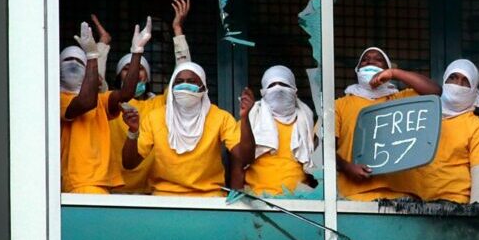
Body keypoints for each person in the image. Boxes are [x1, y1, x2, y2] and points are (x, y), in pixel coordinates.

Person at [121, 62, 256, 197]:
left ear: (203, 87)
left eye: (191, 81)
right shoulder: (155, 117)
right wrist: (133, 131)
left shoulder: (221, 117)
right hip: (164, 197)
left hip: (209, 197)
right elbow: (129, 163)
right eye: (179, 82)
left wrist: (245, 119)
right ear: (172, 88)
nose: (184, 86)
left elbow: (245, 158)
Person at [108, 0, 195, 194]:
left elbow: (184, 74)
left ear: (147, 76)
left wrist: (178, 31)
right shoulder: (111, 103)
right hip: (112, 190)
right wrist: (102, 48)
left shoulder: (159, 104)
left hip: (150, 192)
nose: (135, 73)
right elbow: (95, 83)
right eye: (127, 70)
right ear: (119, 76)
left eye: (140, 69)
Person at [335, 47, 440, 200]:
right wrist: (346, 167)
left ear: (387, 69)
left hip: (402, 196)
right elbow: (325, 148)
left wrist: (395, 73)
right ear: (357, 69)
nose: (370, 61)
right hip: (356, 195)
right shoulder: (339, 105)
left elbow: (435, 91)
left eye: (378, 60)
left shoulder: (401, 99)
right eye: (365, 59)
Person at [60, 19, 151, 194]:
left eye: (79, 62)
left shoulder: (101, 101)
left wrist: (137, 52)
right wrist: (92, 56)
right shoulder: (59, 100)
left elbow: (126, 94)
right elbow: (86, 102)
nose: (72, 65)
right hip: (79, 184)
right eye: (67, 61)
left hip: (103, 185)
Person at [405, 60, 479, 204]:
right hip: (413, 204)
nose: (457, 85)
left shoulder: (476, 127)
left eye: (465, 81)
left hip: (454, 205)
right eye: (453, 78)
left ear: (473, 89)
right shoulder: (422, 114)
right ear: (444, 81)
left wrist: (474, 211)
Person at [241, 65, 317, 196]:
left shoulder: (307, 122)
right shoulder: (252, 120)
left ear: (294, 91)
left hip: (301, 201)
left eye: (283, 84)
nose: (278, 89)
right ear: (263, 92)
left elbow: (315, 164)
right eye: (272, 85)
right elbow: (240, 161)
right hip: (257, 200)